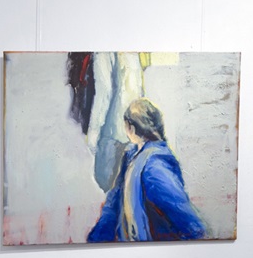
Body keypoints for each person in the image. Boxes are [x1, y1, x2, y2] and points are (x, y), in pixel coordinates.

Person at [87, 98, 207, 242]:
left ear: (130, 128)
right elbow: (113, 206)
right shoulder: (131, 158)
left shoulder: (154, 165)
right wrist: (95, 241)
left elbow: (188, 222)